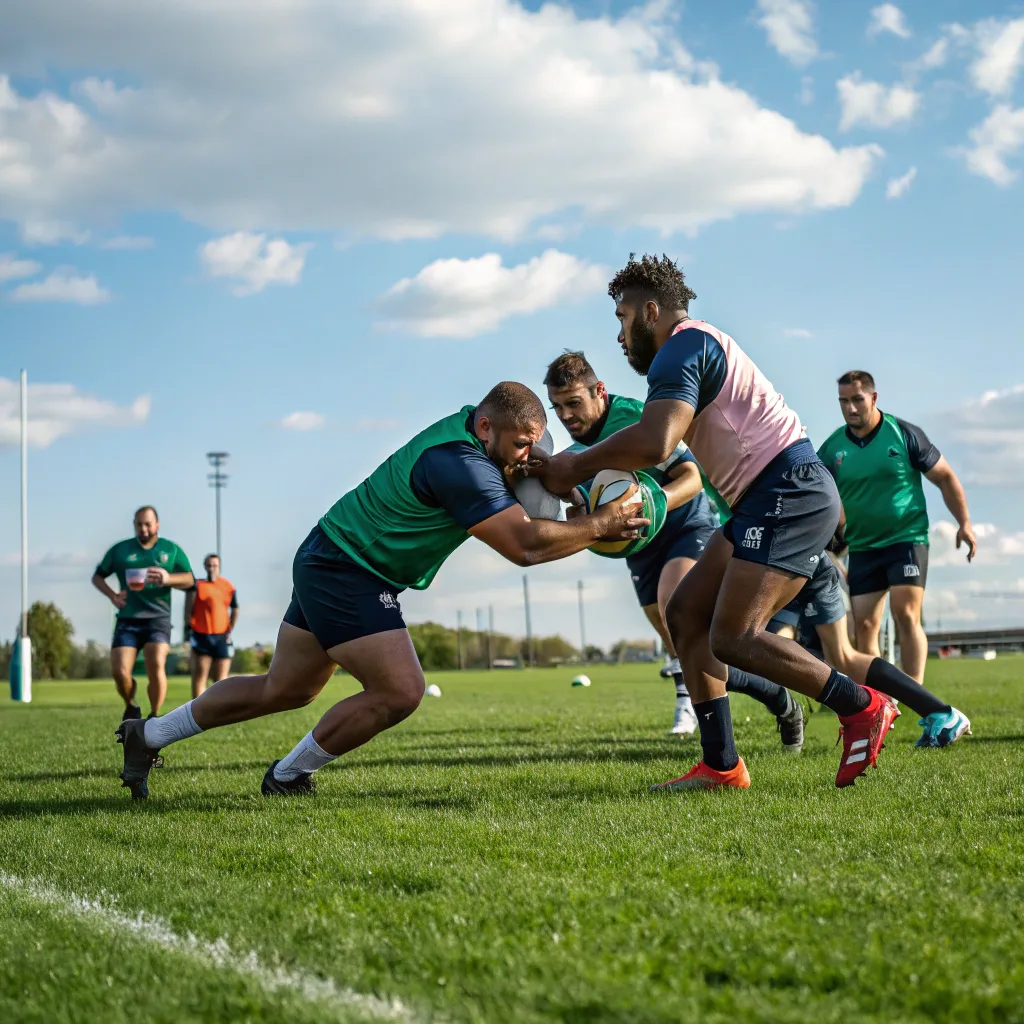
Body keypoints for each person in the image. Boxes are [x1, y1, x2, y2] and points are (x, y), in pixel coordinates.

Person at [116, 383, 649, 800]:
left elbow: (526, 485)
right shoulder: (459, 464)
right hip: (348, 569)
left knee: (285, 689)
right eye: (519, 445)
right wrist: (600, 524)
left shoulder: (478, 438)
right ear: (485, 427)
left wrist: (569, 488)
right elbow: (525, 546)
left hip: (331, 554)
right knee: (401, 690)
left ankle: (151, 735)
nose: (526, 456)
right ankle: (286, 776)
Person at [525, 254, 898, 791]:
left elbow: (657, 441)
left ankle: (861, 705)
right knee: (686, 614)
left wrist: (570, 466)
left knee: (736, 637)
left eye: (623, 317)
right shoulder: (691, 346)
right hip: (766, 496)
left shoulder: (680, 348)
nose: (620, 333)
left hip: (786, 490)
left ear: (651, 311)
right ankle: (722, 765)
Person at [544, 349, 805, 751]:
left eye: (573, 403)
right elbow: (584, 499)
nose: (566, 415)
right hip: (638, 543)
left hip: (686, 525)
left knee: (674, 607)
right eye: (557, 407)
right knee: (680, 640)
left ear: (600, 391)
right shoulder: (574, 449)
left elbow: (692, 477)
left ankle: (702, 721)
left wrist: (655, 501)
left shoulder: (636, 417)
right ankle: (775, 697)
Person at [818, 372, 977, 683]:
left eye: (857, 399)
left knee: (906, 614)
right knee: (864, 628)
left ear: (873, 398)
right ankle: (878, 702)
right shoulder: (832, 448)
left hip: (907, 539)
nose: (850, 408)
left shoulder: (903, 434)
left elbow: (944, 476)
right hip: (863, 546)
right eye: (843, 401)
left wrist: (965, 523)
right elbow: (817, 494)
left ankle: (917, 695)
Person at [781, 553, 971, 747]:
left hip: (794, 561)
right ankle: (879, 710)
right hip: (790, 562)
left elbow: (833, 525)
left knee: (831, 657)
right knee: (815, 656)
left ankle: (928, 711)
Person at [92, 506, 194, 720]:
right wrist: (112, 595)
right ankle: (130, 704)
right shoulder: (120, 550)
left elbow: (189, 579)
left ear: (157, 525)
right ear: (134, 525)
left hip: (158, 618)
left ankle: (155, 716)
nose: (144, 529)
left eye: (148, 524)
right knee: (120, 672)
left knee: (156, 664)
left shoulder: (171, 549)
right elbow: (97, 577)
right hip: (127, 619)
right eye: (139, 524)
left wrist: (168, 579)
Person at [184, 554, 239, 698]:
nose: (211, 569)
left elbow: (235, 608)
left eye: (214, 565)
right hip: (201, 634)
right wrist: (188, 629)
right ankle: (196, 713)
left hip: (221, 636)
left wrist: (230, 628)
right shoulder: (197, 585)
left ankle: (219, 712)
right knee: (200, 676)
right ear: (204, 567)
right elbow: (188, 609)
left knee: (221, 680)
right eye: (208, 565)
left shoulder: (228, 586)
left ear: (219, 567)